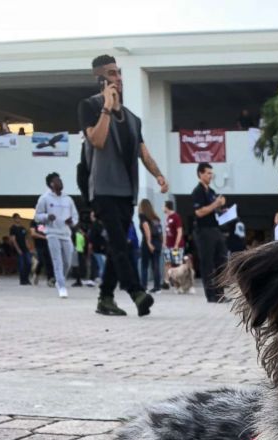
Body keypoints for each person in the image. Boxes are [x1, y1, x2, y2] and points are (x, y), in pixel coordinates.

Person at [78, 54, 168, 317]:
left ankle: (105, 298)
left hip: (127, 191)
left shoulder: (132, 118)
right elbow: (97, 140)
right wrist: (107, 106)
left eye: (119, 72)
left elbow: (143, 152)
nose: (118, 77)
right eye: (112, 73)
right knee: (120, 244)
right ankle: (137, 292)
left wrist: (158, 175)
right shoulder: (89, 106)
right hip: (103, 188)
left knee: (121, 246)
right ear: (100, 78)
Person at [191, 162, 228, 302]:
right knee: (208, 263)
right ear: (200, 174)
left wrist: (222, 208)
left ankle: (220, 293)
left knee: (221, 260)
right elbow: (199, 212)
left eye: (211, 173)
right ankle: (211, 295)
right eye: (208, 173)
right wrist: (215, 204)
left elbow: (214, 210)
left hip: (215, 229)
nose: (210, 176)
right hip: (204, 231)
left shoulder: (212, 192)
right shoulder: (197, 192)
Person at [138, 198, 163, 292]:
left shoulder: (142, 216)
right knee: (155, 265)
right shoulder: (155, 217)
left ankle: (143, 286)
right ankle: (157, 287)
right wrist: (161, 243)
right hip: (157, 243)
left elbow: (146, 228)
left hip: (148, 242)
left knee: (144, 265)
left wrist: (148, 242)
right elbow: (160, 232)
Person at [163, 199, 185, 285]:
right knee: (167, 262)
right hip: (168, 246)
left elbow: (179, 231)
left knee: (176, 263)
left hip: (176, 247)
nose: (163, 208)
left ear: (167, 207)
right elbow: (166, 231)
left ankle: (179, 281)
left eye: (163, 206)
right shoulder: (167, 218)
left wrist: (176, 244)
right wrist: (164, 243)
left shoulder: (176, 217)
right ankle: (167, 281)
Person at [29, 218, 54, 286]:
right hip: (39, 245)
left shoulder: (47, 221)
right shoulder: (34, 221)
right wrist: (44, 237)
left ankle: (50, 279)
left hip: (48, 245)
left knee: (49, 262)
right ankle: (36, 274)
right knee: (41, 261)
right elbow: (33, 234)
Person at [9, 214, 32, 286]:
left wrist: (29, 247)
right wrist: (18, 249)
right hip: (19, 249)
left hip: (25, 249)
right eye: (16, 218)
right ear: (14, 219)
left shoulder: (23, 228)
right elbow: (13, 240)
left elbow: (26, 239)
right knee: (21, 265)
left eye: (19, 218)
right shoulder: (12, 228)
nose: (18, 219)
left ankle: (27, 278)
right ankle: (22, 280)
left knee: (29, 263)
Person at [87, 211, 107, 283]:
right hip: (100, 248)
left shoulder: (96, 225)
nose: (91, 217)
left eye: (92, 216)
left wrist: (90, 246)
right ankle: (98, 277)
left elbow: (92, 237)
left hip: (98, 248)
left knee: (100, 263)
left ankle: (99, 277)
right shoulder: (100, 225)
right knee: (100, 263)